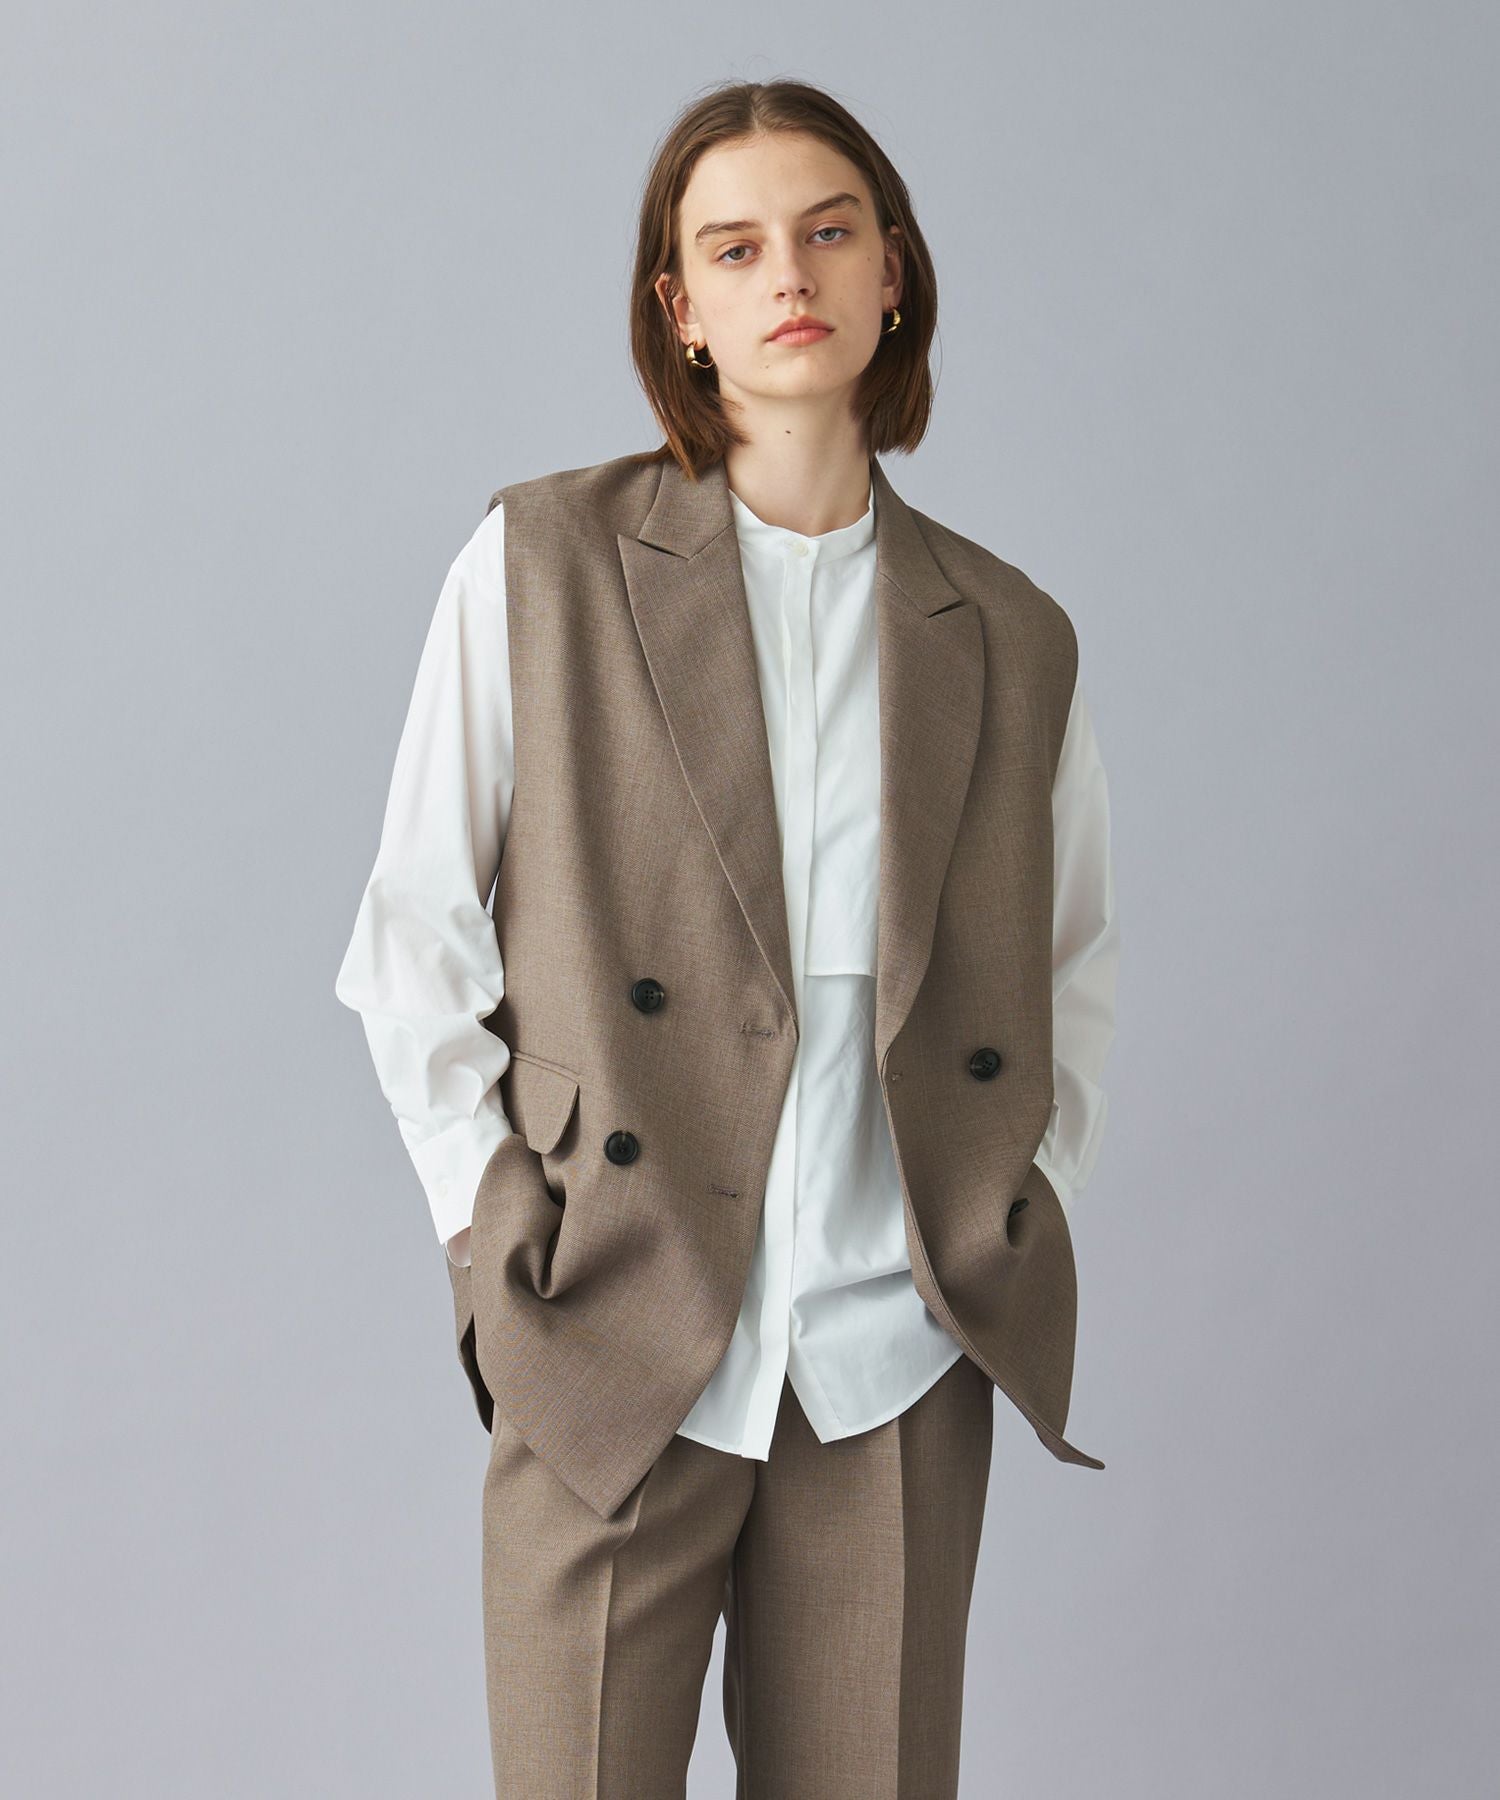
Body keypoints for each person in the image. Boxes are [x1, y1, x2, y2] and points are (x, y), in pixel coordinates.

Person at [335, 76, 1119, 1799]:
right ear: (678, 307)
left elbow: (1072, 975)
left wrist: (1005, 1208)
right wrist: (494, 1235)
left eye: (829, 233)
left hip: (892, 1356)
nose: (792, 276)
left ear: (894, 271)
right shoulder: (542, 564)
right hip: (612, 1327)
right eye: (737, 247)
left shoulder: (1009, 630)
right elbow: (411, 939)